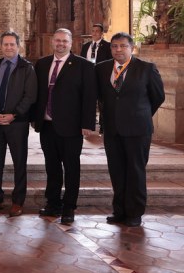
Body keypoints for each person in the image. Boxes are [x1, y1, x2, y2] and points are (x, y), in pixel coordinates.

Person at [96, 32, 165, 227]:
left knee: (135, 171)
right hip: (112, 130)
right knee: (116, 171)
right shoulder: (101, 69)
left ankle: (134, 213)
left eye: (123, 46)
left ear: (131, 48)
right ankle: (119, 211)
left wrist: (139, 114)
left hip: (138, 129)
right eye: (114, 46)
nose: (118, 50)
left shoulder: (146, 69)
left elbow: (158, 97)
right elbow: (101, 97)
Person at [34, 28, 96, 225]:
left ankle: (69, 207)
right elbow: (37, 94)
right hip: (47, 125)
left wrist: (87, 124)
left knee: (71, 168)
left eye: (65, 41)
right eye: (58, 40)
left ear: (71, 43)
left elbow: (89, 97)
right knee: (52, 167)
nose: (61, 44)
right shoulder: (42, 64)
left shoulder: (83, 65)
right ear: (52, 42)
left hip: (71, 127)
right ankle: (53, 204)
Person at [0, 31, 37, 217]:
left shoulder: (26, 68)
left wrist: (14, 115)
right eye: (5, 44)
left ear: (18, 46)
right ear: (1, 46)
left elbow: (30, 96)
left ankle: (17, 201)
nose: (9, 47)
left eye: (12, 44)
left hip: (17, 123)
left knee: (19, 162)